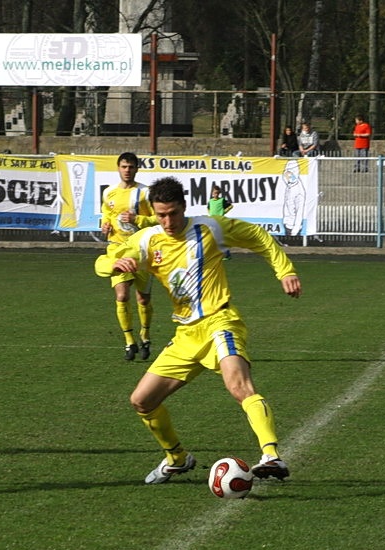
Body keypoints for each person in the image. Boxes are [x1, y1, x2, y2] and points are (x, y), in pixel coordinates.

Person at [94, 176, 301, 484]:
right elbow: (103, 261)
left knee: (239, 386)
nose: (168, 221)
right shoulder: (147, 240)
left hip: (220, 322)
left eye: (173, 213)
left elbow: (258, 236)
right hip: (185, 335)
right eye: (161, 214)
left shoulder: (209, 228)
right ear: (153, 211)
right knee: (142, 401)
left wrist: (285, 270)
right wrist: (116, 264)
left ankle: (271, 456)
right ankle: (177, 459)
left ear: (184, 207)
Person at [100, 152, 156, 361]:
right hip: (116, 249)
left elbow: (157, 219)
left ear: (137, 169)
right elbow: (106, 215)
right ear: (118, 167)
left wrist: (138, 218)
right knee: (122, 295)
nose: (127, 170)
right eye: (124, 166)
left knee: (143, 298)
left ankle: (145, 335)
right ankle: (129, 341)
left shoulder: (144, 193)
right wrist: (104, 226)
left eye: (131, 167)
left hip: (141, 250)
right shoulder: (109, 193)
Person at [207, 184, 232, 259]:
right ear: (212, 193)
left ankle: (227, 254)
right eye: (215, 193)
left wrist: (223, 212)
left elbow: (230, 206)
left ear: (219, 193)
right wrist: (210, 214)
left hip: (220, 221)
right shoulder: (210, 201)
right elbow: (208, 208)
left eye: (217, 193)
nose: (216, 194)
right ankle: (219, 253)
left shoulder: (222, 200)